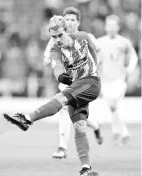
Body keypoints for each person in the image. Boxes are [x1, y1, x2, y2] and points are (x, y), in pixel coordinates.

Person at [4, 15, 100, 176]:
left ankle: (27, 119)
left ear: (67, 31)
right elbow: (56, 66)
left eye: (60, 35)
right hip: (75, 87)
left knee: (60, 98)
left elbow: (94, 52)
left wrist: (95, 71)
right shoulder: (55, 50)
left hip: (91, 82)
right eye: (53, 37)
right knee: (79, 126)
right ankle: (86, 168)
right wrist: (61, 76)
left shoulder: (83, 38)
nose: (57, 40)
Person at [43, 7, 103, 159]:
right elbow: (47, 58)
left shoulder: (85, 37)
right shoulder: (55, 39)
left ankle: (95, 127)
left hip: (85, 81)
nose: (69, 22)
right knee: (65, 110)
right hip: (67, 82)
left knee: (79, 117)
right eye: (67, 19)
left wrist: (94, 69)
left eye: (72, 20)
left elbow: (98, 51)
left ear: (78, 22)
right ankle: (62, 147)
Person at [97, 15, 138, 144]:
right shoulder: (99, 42)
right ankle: (116, 130)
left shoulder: (124, 42)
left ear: (118, 27)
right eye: (109, 25)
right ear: (105, 27)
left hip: (119, 79)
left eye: (114, 25)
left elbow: (134, 57)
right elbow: (95, 60)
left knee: (114, 105)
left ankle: (123, 132)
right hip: (105, 80)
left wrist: (129, 69)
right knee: (113, 107)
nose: (111, 28)